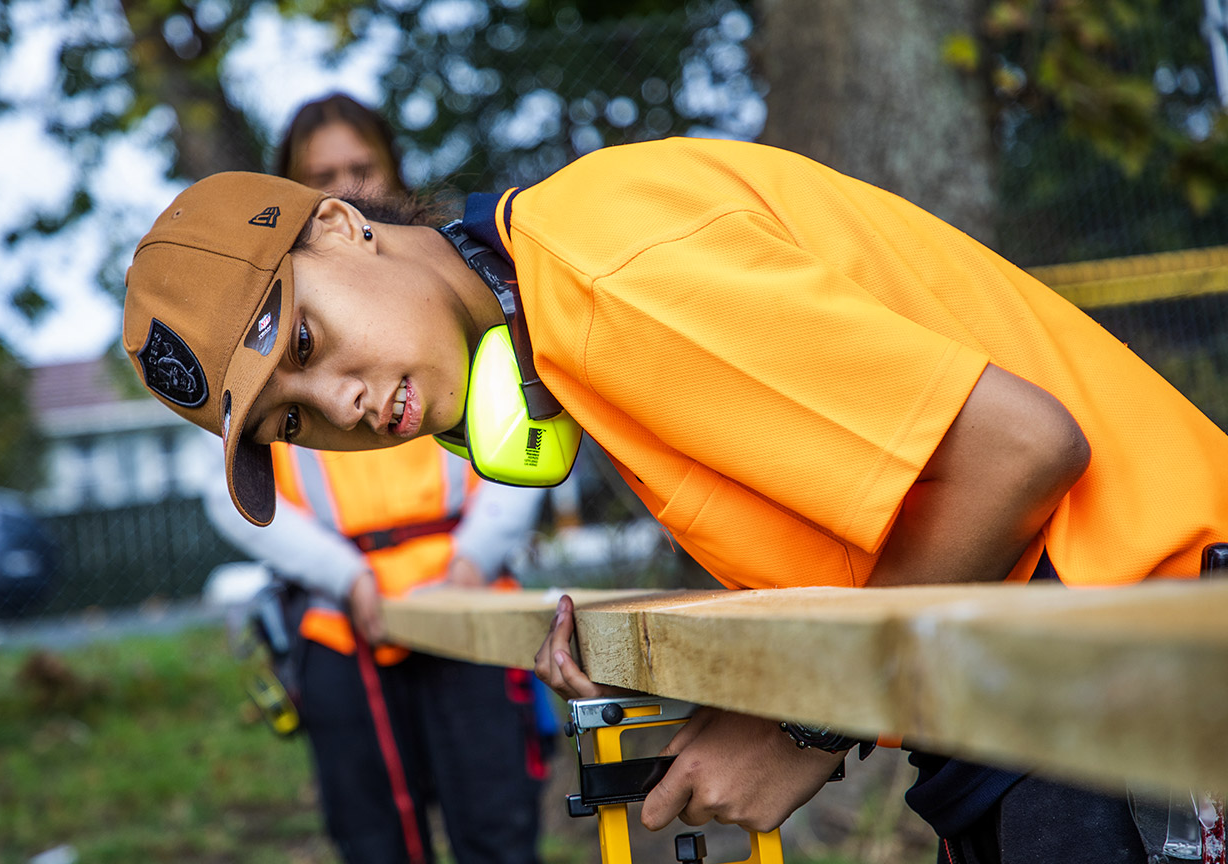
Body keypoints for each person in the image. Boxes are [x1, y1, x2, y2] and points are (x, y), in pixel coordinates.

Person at [119, 137, 1228, 864]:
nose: (341, 406)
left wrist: (803, 720)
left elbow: (1018, 453)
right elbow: (868, 519)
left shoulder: (600, 271)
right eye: (290, 421)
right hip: (1046, 686)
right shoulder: (557, 296)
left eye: (305, 343)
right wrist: (663, 647)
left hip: (1144, 660)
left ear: (341, 224)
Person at [198, 93, 551, 864]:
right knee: (374, 841)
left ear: (382, 178)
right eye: (322, 172)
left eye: (359, 167)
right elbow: (227, 496)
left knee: (497, 831)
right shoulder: (253, 337)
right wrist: (344, 577)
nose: (343, 403)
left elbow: (531, 443)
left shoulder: (478, 291)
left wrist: (473, 563)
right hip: (341, 617)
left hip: (470, 595)